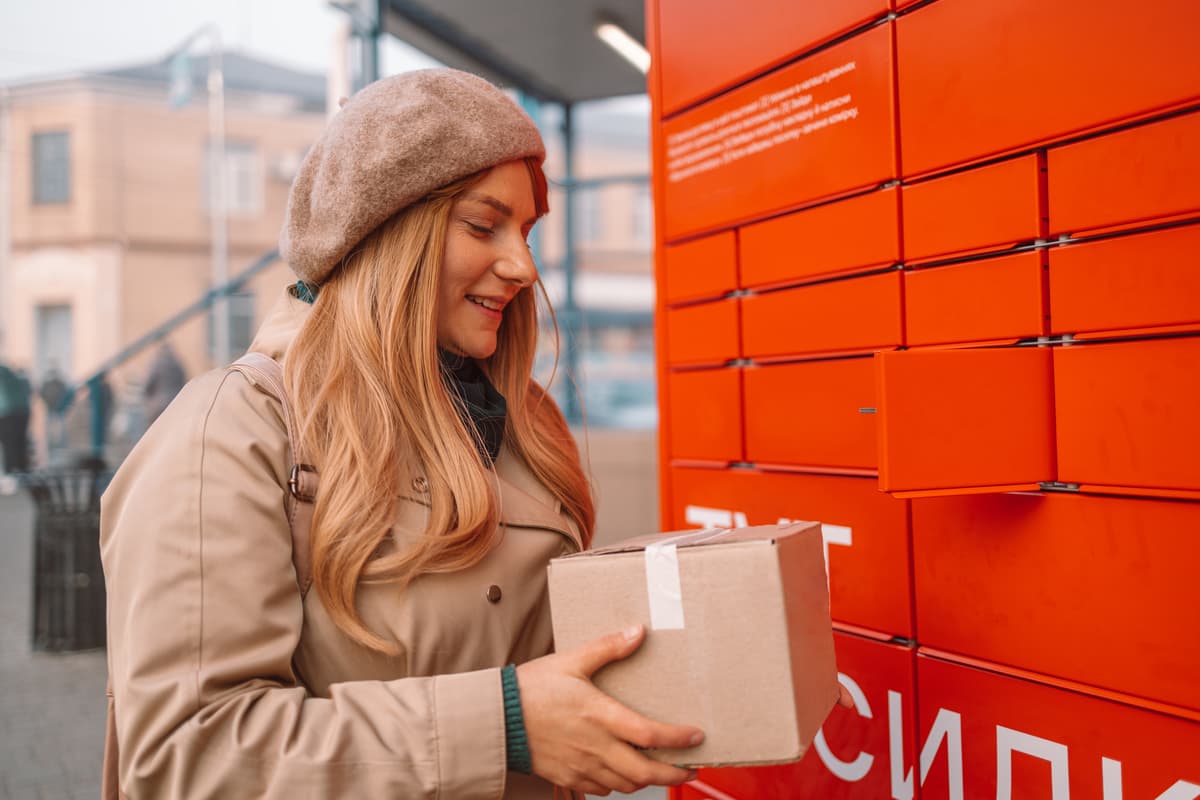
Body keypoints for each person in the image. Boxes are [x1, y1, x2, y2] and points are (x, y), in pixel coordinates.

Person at [100, 68, 705, 798]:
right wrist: (506, 723)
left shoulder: (524, 420)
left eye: (527, 230)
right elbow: (187, 758)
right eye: (484, 225)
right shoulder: (231, 433)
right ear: (386, 233)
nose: (522, 265)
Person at [142, 341, 186, 426]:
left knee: (155, 432)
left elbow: (148, 385)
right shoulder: (178, 365)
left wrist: (148, 399)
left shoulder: (157, 364)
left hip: (158, 405)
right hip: (176, 404)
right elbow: (185, 384)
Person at [0, 361, 31, 473]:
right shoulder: (20, 379)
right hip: (22, 413)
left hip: (8, 413)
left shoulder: (3, 373)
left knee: (9, 445)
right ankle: (21, 472)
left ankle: (12, 473)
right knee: (19, 444)